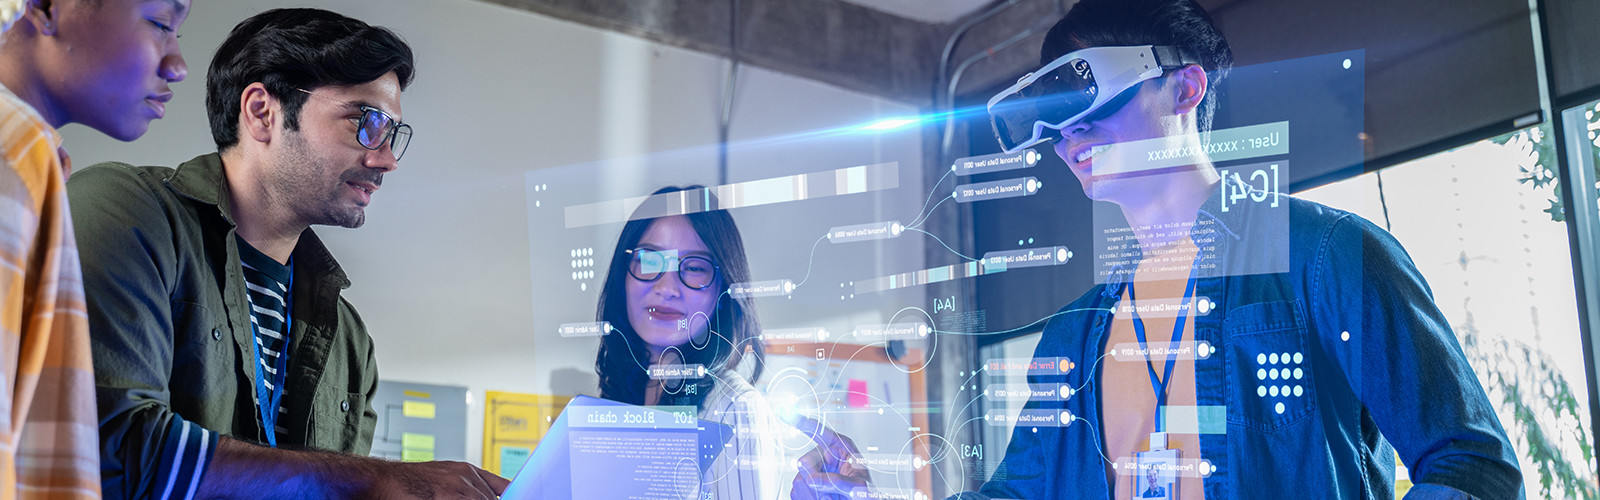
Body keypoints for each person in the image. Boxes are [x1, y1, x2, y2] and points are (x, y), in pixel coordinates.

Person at [967, 0, 1522, 498]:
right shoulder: (1073, 332)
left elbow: (1473, 467)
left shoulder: (1323, 258)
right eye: (1057, 121)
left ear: (1185, 87)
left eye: (1088, 98)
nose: (1071, 135)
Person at [66, 8, 506, 499]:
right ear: (261, 112)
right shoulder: (126, 212)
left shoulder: (350, 341)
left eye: (392, 134)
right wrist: (381, 478)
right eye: (366, 122)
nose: (386, 158)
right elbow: (107, 449)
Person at [0, 0, 188, 497]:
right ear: (43, 8)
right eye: (160, 23)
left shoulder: (34, 160)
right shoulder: (12, 155)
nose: (178, 64)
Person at [594, 186, 785, 499]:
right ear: (622, 278)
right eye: (650, 260)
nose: (667, 286)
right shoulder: (620, 399)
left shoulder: (734, 409)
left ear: (723, 292)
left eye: (695, 267)